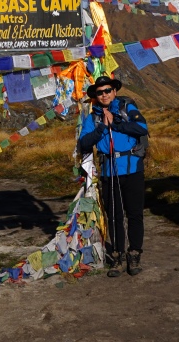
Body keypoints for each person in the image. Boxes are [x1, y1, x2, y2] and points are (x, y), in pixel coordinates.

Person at [76, 76, 148, 277]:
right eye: (100, 92)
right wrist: (102, 128)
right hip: (109, 171)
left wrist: (115, 124)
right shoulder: (93, 118)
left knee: (134, 214)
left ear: (114, 91)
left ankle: (134, 254)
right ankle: (117, 257)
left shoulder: (127, 108)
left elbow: (142, 128)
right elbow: (84, 143)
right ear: (96, 96)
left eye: (107, 90)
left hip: (133, 169)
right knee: (114, 215)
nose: (104, 94)